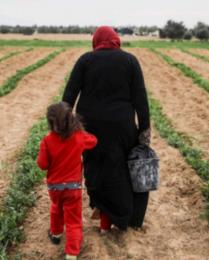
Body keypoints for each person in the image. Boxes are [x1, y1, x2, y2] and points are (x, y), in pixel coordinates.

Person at [62, 26, 151, 233]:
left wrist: (63, 127)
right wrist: (144, 131)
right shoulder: (130, 61)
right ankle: (121, 218)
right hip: (122, 128)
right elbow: (141, 100)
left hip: (89, 128)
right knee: (120, 172)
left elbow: (68, 96)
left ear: (96, 41)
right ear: (116, 40)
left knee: (97, 170)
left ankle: (104, 217)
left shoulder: (85, 60)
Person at [37, 102, 97, 260]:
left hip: (55, 188)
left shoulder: (47, 141)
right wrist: (81, 130)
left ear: (51, 123)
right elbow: (94, 141)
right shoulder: (79, 137)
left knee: (56, 208)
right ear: (72, 119)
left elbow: (42, 165)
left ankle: (56, 234)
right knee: (73, 220)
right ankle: (71, 253)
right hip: (73, 188)